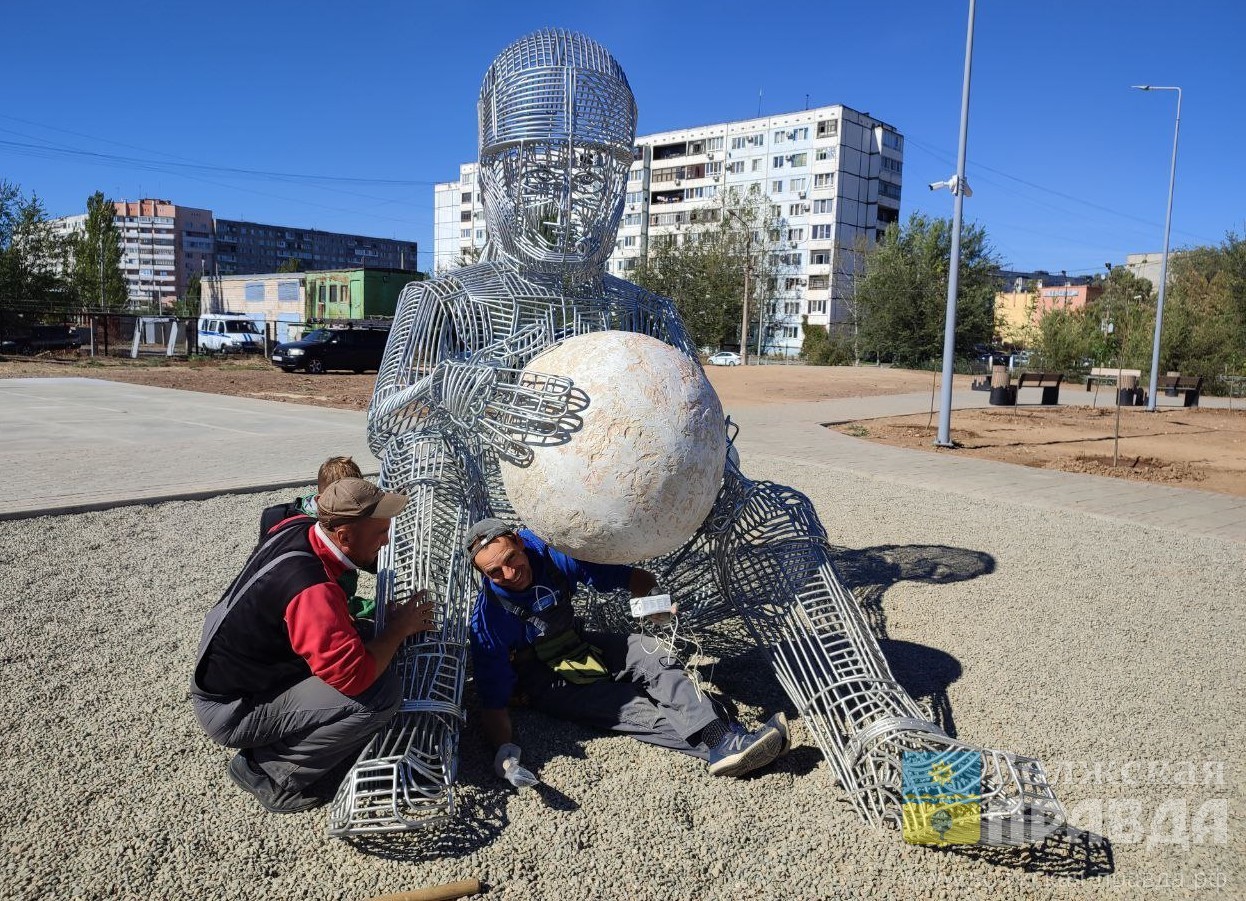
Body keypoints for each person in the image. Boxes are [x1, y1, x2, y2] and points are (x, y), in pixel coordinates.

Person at [466, 518, 790, 783]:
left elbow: (631, 577)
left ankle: (727, 740)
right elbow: (493, 701)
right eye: (495, 572)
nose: (509, 574)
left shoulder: (551, 554)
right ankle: (726, 746)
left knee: (651, 652)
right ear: (483, 575)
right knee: (630, 709)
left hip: (576, 644)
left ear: (519, 542)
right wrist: (504, 752)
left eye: (511, 559)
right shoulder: (489, 620)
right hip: (544, 677)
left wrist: (654, 606)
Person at [191, 478, 434, 814]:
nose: (387, 540)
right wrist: (396, 630)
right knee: (380, 696)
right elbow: (356, 677)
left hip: (231, 673)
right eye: (379, 533)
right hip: (231, 708)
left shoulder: (298, 527)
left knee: (366, 636)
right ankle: (267, 771)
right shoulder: (312, 590)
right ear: (345, 536)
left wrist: (386, 631)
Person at [258, 455, 362, 543]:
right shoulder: (279, 519)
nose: (349, 509)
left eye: (356, 500)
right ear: (320, 500)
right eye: (342, 502)